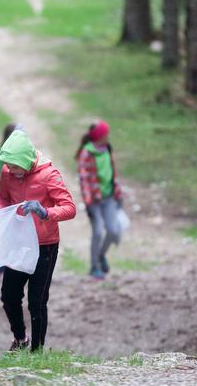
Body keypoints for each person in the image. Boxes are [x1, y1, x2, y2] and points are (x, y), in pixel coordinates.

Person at [0, 129, 76, 352]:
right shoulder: (7, 172)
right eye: (8, 166)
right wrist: (5, 214)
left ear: (26, 161)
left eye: (15, 166)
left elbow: (70, 208)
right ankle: (20, 339)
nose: (10, 170)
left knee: (37, 302)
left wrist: (45, 212)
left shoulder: (49, 175)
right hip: (19, 242)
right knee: (9, 295)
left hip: (45, 245)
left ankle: (37, 352)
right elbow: (3, 198)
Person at [75, 120, 123, 280]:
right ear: (99, 136)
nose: (108, 136)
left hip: (109, 197)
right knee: (97, 231)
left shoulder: (107, 149)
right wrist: (88, 201)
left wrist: (118, 192)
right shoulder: (86, 153)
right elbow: (84, 179)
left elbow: (112, 172)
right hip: (94, 200)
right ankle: (94, 266)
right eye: (106, 133)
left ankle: (101, 255)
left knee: (113, 230)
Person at [0, 122, 18, 278]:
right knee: (7, 229)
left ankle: (5, 264)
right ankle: (3, 264)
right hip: (4, 195)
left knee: (8, 229)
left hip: (3, 194)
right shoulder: (5, 153)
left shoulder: (2, 151)